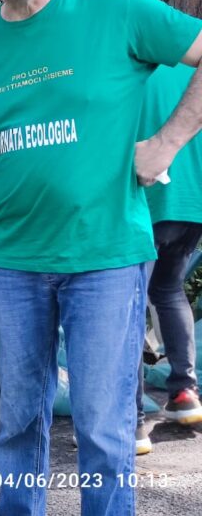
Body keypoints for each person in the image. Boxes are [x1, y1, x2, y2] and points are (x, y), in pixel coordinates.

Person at [0, 0, 202, 516]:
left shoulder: (113, 9)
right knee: (17, 426)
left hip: (105, 257)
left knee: (103, 428)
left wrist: (167, 141)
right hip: (11, 264)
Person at [135, 62, 202, 453]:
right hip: (192, 204)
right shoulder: (189, 69)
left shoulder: (129, 65)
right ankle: (184, 392)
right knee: (168, 290)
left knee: (127, 302)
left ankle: (130, 420)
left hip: (147, 200)